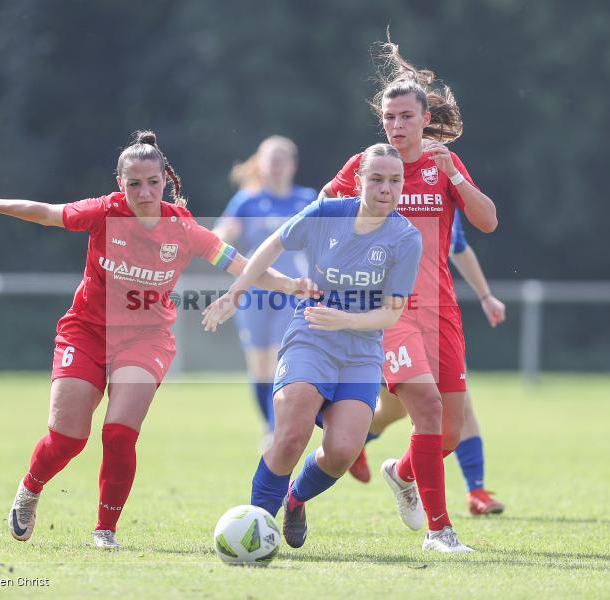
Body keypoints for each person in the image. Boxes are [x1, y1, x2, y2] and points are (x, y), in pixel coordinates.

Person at [0, 131, 312, 550]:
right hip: (86, 330)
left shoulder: (183, 228)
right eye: (134, 183)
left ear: (166, 181)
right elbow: (49, 213)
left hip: (147, 338)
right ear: (120, 184)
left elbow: (241, 264)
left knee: (120, 433)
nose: (144, 192)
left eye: (153, 182)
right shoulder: (105, 212)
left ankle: (105, 531)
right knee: (68, 437)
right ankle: (30, 489)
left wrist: (291, 285)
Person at [318, 38, 497, 552]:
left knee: (450, 434)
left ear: (424, 119)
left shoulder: (446, 165)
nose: (396, 126)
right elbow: (319, 214)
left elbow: (487, 221)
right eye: (388, 117)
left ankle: (401, 471)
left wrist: (456, 178)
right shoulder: (366, 165)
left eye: (404, 117)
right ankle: (441, 532)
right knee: (426, 408)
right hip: (388, 311)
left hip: (440, 307)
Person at [203, 143, 422, 549]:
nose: (386, 189)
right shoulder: (327, 213)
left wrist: (347, 320)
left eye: (395, 180)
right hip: (310, 338)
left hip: (360, 353)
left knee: (341, 452)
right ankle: (257, 531)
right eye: (376, 179)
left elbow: (392, 313)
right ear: (358, 181)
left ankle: (296, 499)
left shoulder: (406, 237)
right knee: (289, 437)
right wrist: (235, 293)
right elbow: (273, 243)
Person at [348, 209, 506, 516]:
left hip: (435, 319)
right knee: (392, 410)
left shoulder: (442, 195)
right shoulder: (383, 193)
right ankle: (352, 442)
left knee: (460, 407)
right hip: (393, 319)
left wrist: (486, 296)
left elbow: (459, 248)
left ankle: (476, 491)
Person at [213, 136, 316, 434]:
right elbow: (224, 230)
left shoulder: (307, 199)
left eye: (282, 160)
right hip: (253, 294)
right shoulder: (247, 200)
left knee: (280, 361)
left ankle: (278, 431)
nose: (276, 166)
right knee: (259, 368)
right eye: (271, 160)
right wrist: (217, 236)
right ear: (260, 164)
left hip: (291, 292)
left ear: (293, 165)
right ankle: (271, 428)